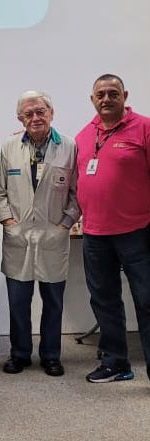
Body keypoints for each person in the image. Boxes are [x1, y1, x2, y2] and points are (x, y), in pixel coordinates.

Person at [0, 91, 78, 377]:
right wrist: (9, 222)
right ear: (20, 118)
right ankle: (20, 353)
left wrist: (65, 224)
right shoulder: (9, 146)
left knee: (53, 302)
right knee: (18, 302)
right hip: (19, 236)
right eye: (29, 113)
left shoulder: (69, 146)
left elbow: (77, 193)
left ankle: (51, 355)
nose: (35, 117)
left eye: (41, 111)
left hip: (54, 235)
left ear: (51, 113)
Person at [76, 74, 150, 384]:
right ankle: (116, 363)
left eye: (113, 93)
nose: (106, 99)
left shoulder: (144, 127)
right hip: (95, 234)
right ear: (92, 99)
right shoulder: (84, 135)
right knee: (103, 300)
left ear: (124, 95)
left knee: (146, 301)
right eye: (101, 94)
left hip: (137, 231)